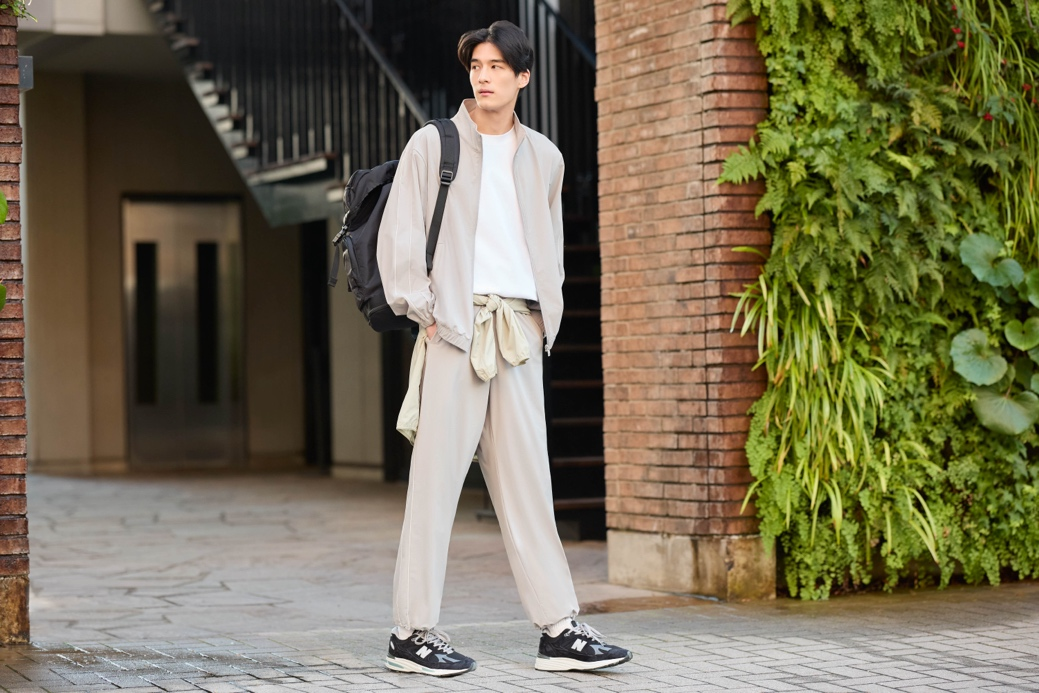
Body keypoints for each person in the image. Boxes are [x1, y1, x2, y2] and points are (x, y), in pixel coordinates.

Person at [376, 19, 633, 678]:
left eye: (496, 66)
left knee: (529, 488)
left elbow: (549, 244)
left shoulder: (544, 156)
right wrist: (425, 312)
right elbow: (401, 235)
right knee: (434, 488)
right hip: (455, 329)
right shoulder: (434, 143)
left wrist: (546, 317)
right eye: (476, 66)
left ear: (523, 77)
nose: (484, 76)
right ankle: (410, 633)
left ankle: (558, 628)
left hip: (516, 331)